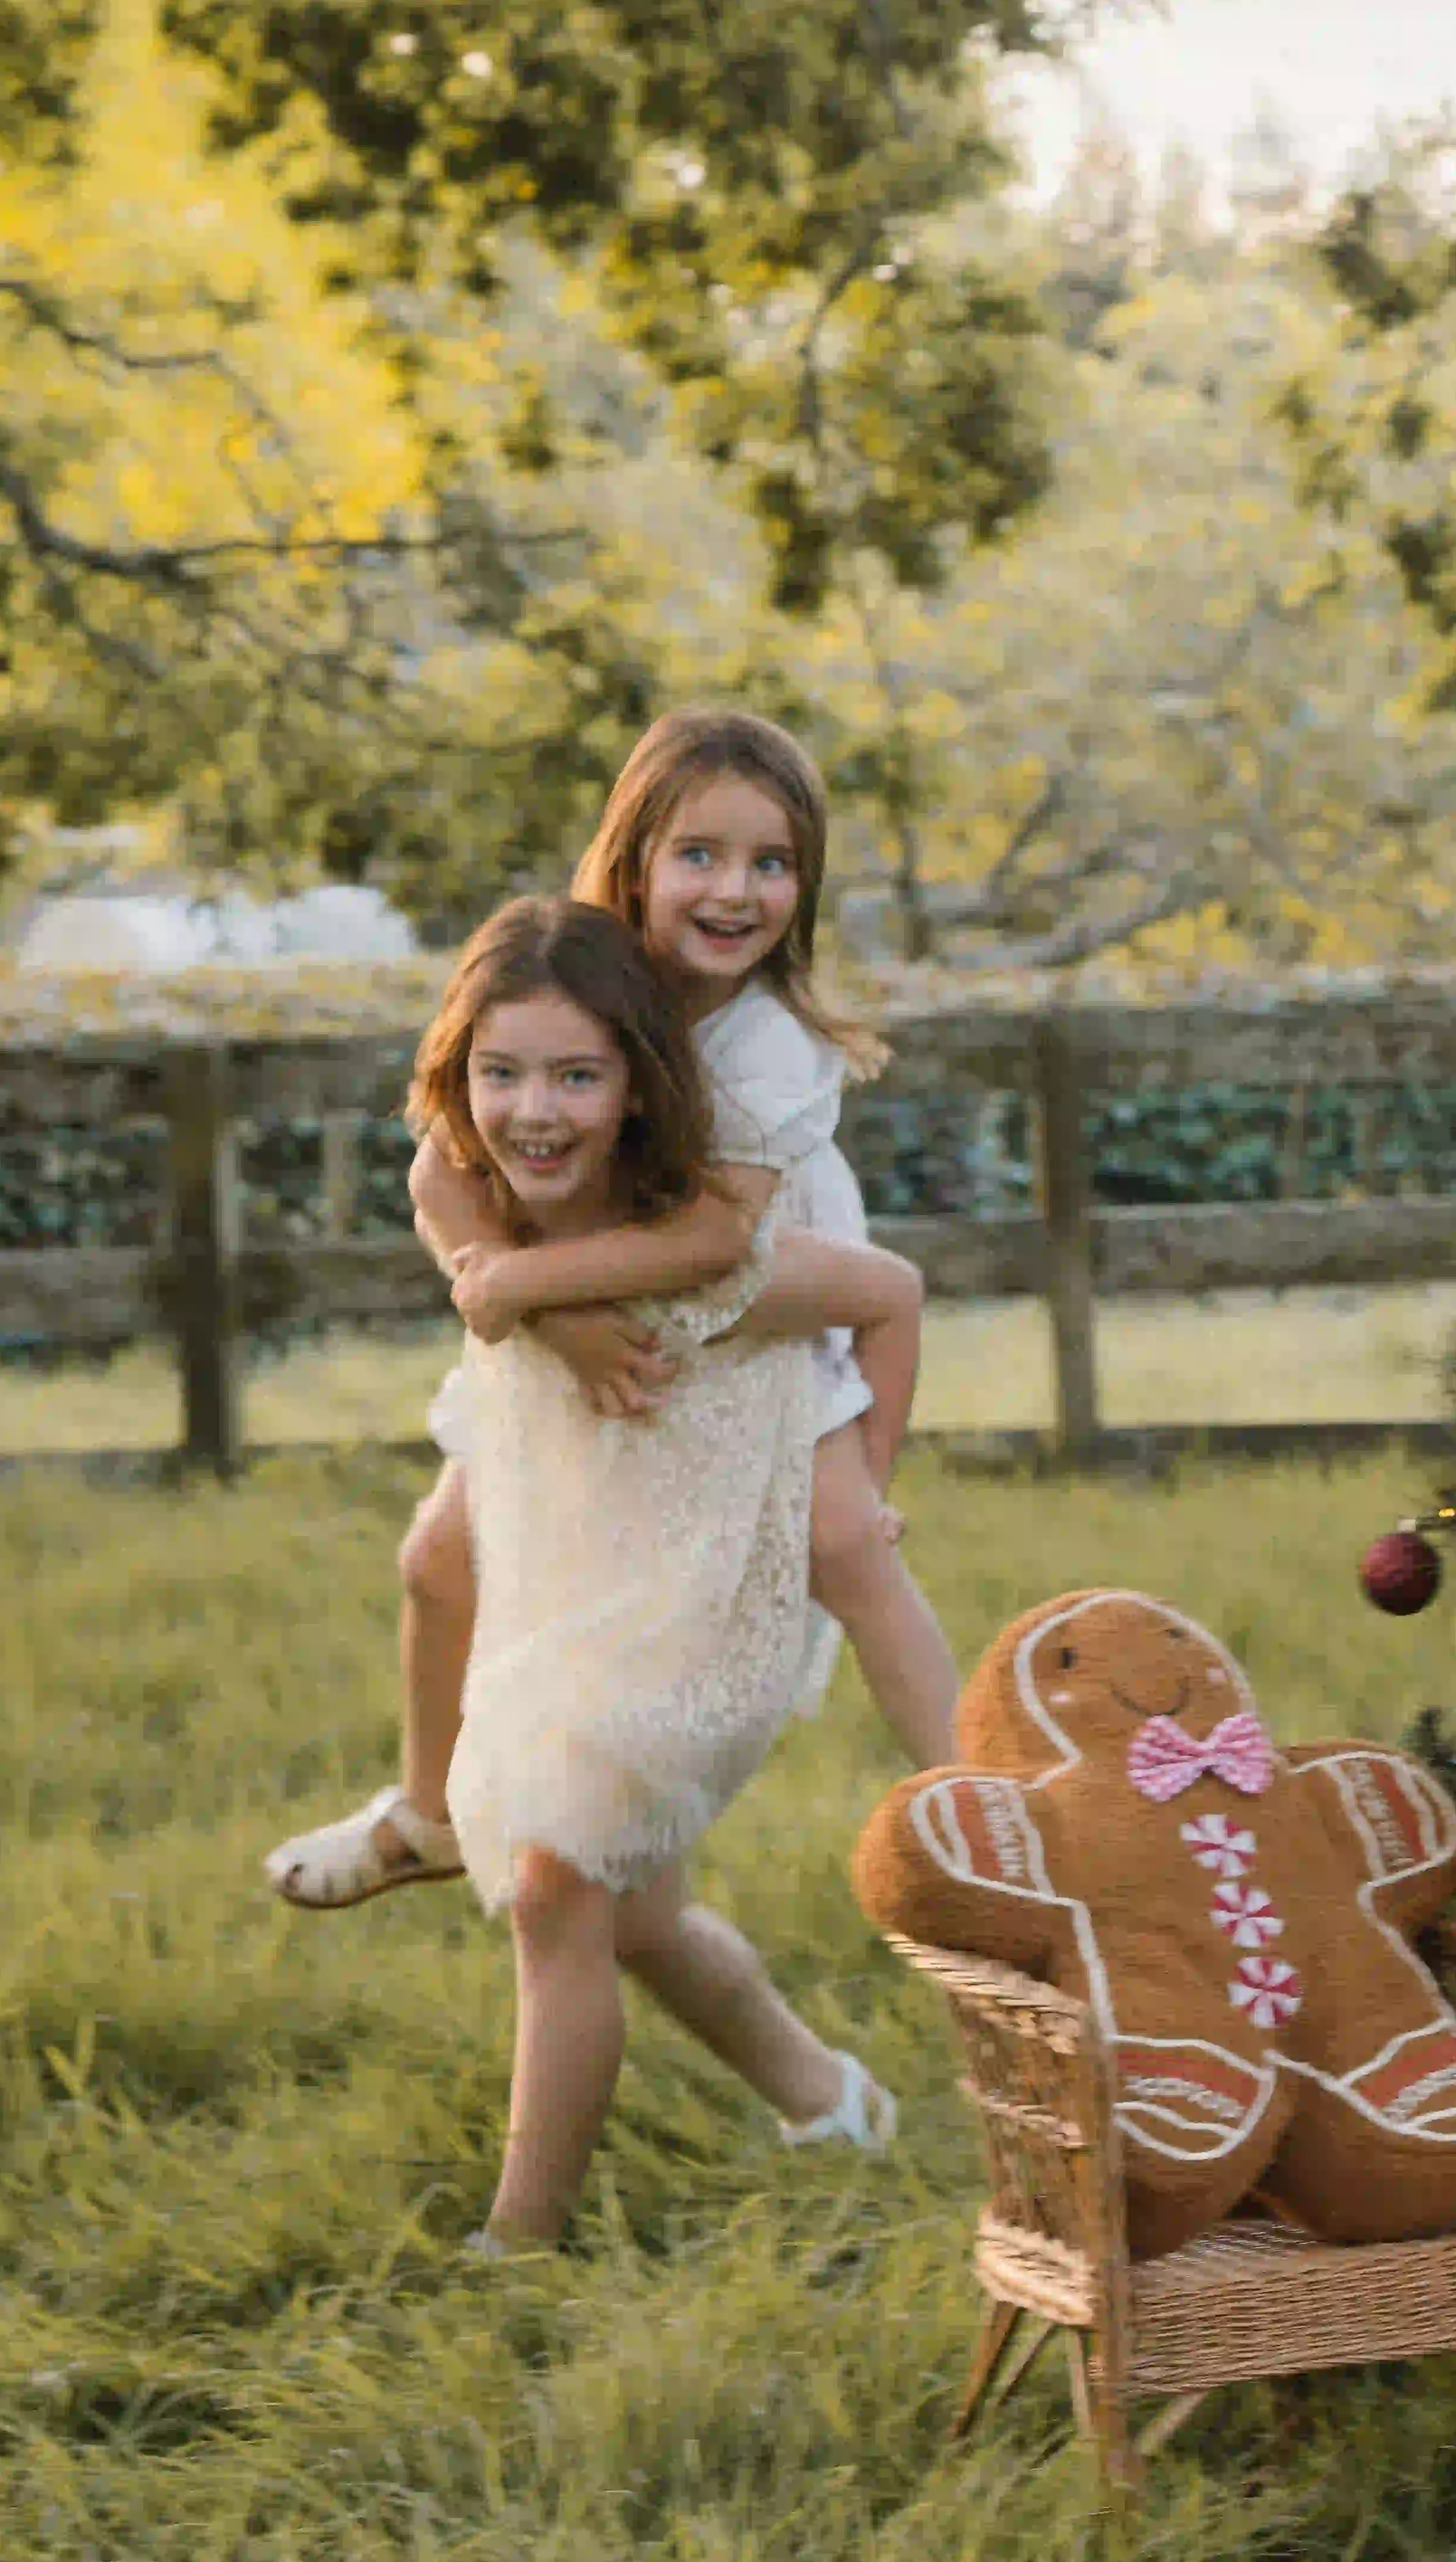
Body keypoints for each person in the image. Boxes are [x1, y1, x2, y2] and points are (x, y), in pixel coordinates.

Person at [265, 708, 962, 1912]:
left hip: (760, 1302)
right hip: (599, 1305)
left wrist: (518, 1288)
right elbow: (439, 1169)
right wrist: (544, 1315)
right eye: (698, 854)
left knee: (843, 1543)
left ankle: (995, 1823)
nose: (734, 891)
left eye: (772, 863)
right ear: (631, 853)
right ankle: (426, 1817)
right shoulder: (567, 976)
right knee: (440, 1556)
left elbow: (715, 1242)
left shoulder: (771, 1049)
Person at [407, 895, 899, 2248]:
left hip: (702, 1613)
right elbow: (441, 1192)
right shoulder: (494, 1224)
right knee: (640, 1922)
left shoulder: (708, 1248)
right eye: (501, 1075)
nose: (534, 1111)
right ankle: (830, 2097)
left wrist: (862, 1494)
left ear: (638, 1087)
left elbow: (891, 1292)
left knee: (560, 1888)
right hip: (563, 1603)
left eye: (576, 1075)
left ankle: (520, 2240)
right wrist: (529, 1304)